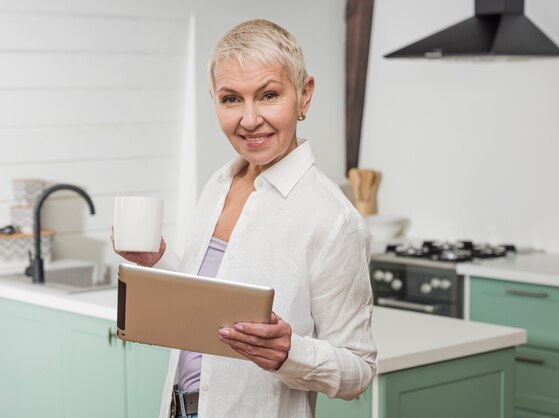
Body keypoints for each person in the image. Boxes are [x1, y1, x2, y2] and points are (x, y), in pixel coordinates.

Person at [114, 18, 377, 418]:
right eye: (231, 99)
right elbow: (205, 310)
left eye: (269, 95)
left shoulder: (333, 220)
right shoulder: (218, 184)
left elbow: (359, 370)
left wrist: (291, 352)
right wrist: (160, 262)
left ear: (304, 95)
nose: (249, 119)